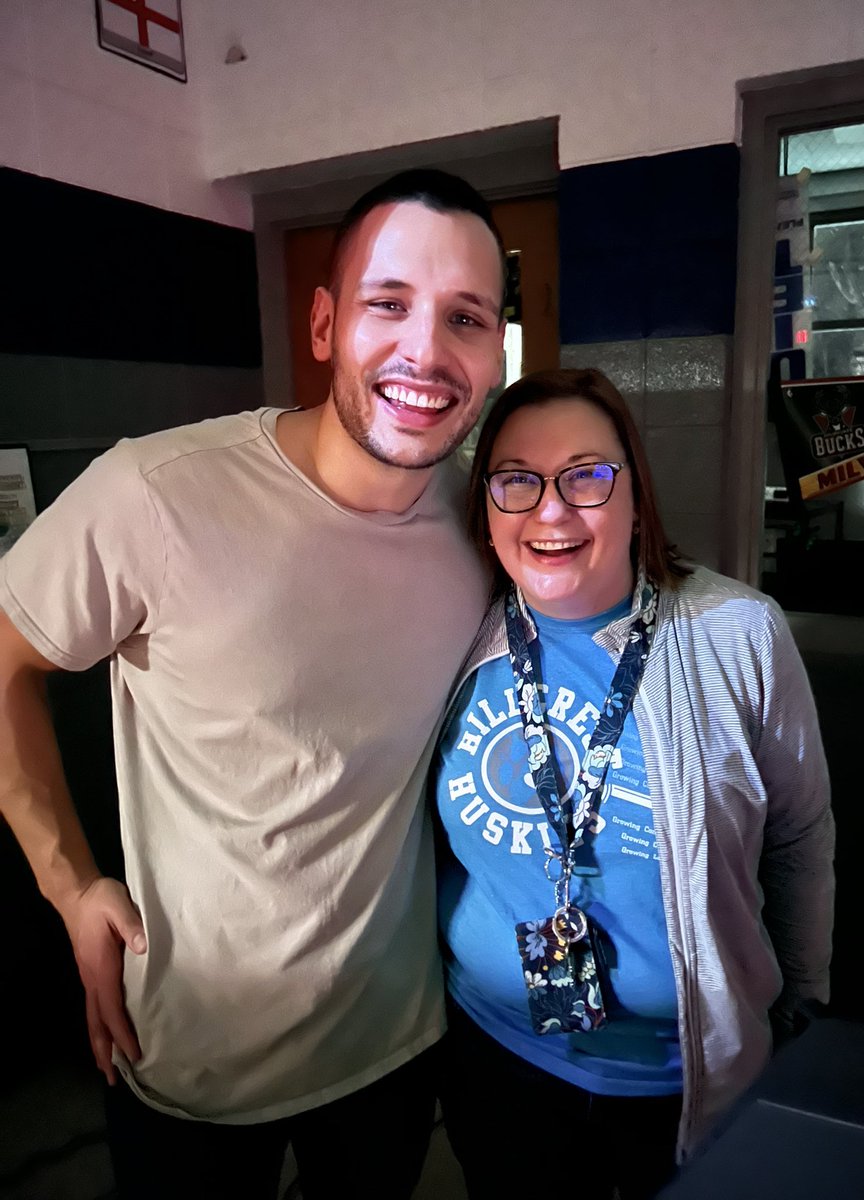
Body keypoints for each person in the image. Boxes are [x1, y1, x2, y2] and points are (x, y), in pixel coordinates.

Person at [0, 169, 507, 1199]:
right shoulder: (154, 493)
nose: (426, 350)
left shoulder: (485, 527)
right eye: (388, 303)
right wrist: (69, 887)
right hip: (189, 1060)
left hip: (393, 1050)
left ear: (496, 349)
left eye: (466, 316)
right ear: (324, 325)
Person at [433, 368, 835, 1199]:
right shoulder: (450, 636)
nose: (550, 510)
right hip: (496, 1059)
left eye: (586, 475)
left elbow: (801, 836)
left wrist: (803, 1006)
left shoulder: (738, 634)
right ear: (487, 506)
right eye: (517, 481)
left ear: (635, 497)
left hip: (686, 1081)